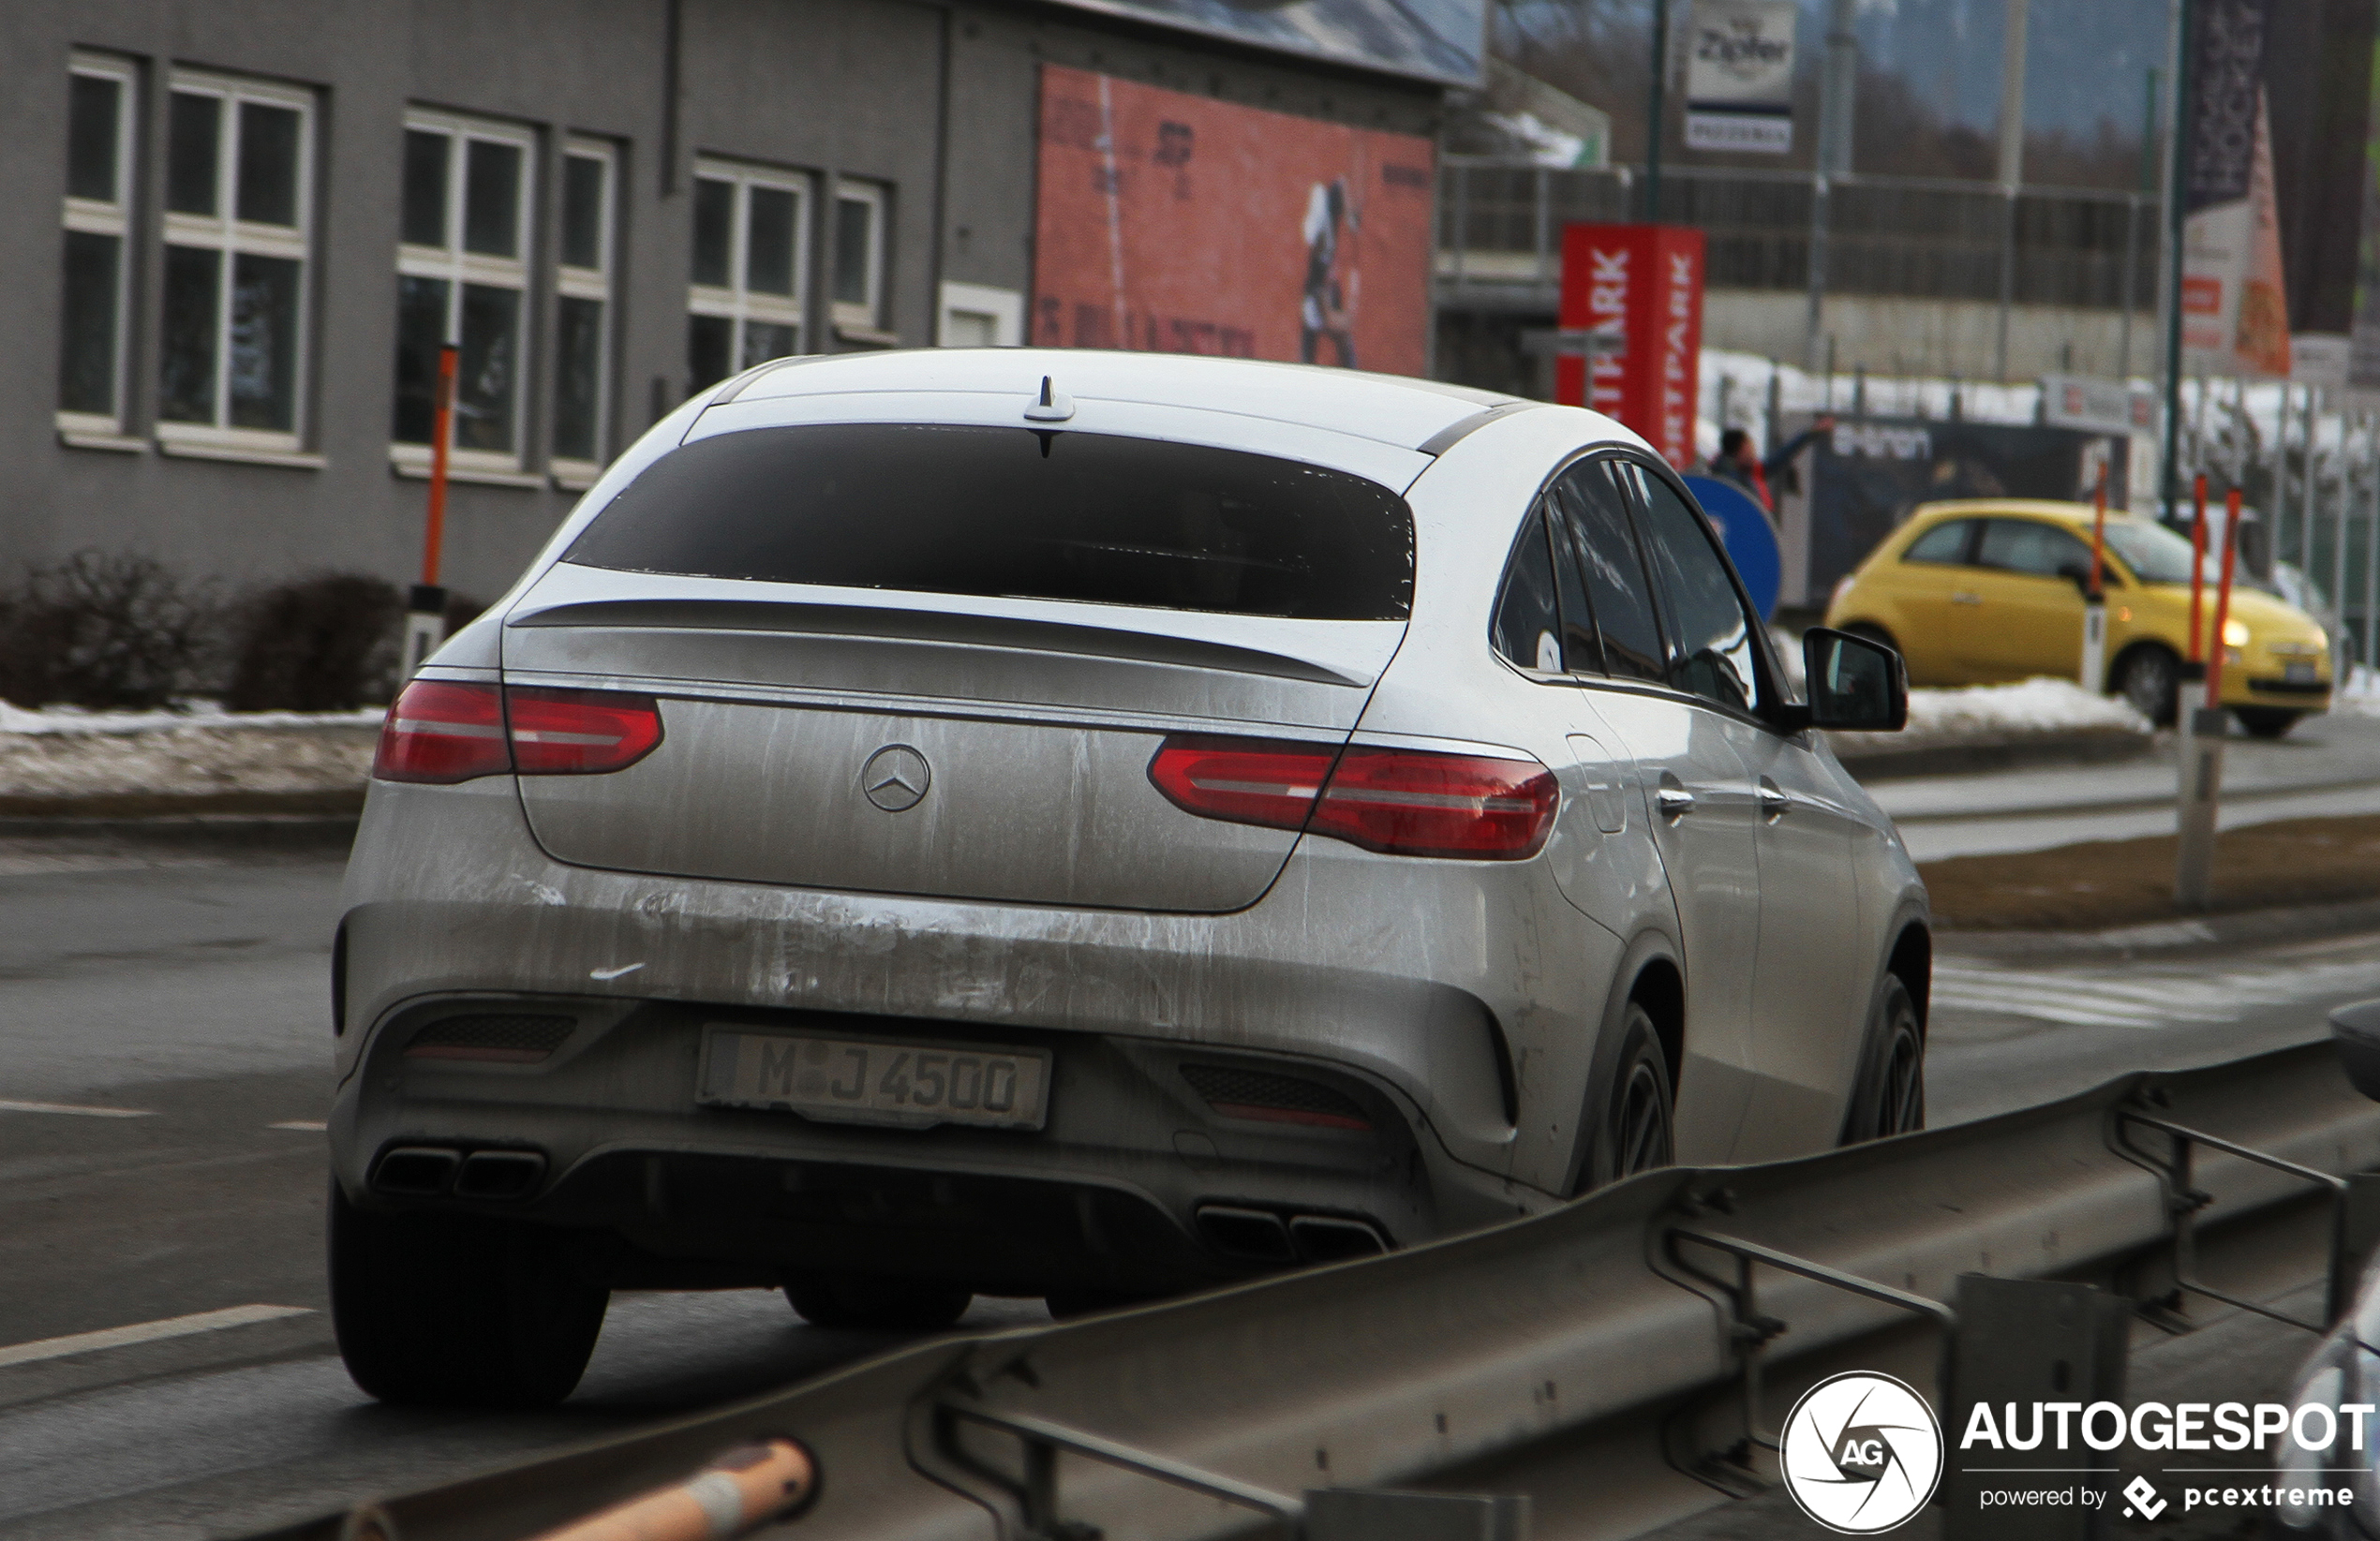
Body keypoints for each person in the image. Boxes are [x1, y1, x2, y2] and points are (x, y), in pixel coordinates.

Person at [1709, 415, 1834, 516]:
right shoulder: (1731, 479)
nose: (1753, 449)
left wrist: (1811, 433)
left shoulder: (1750, 471)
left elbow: (1782, 457)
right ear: (1740, 447)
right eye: (1749, 444)